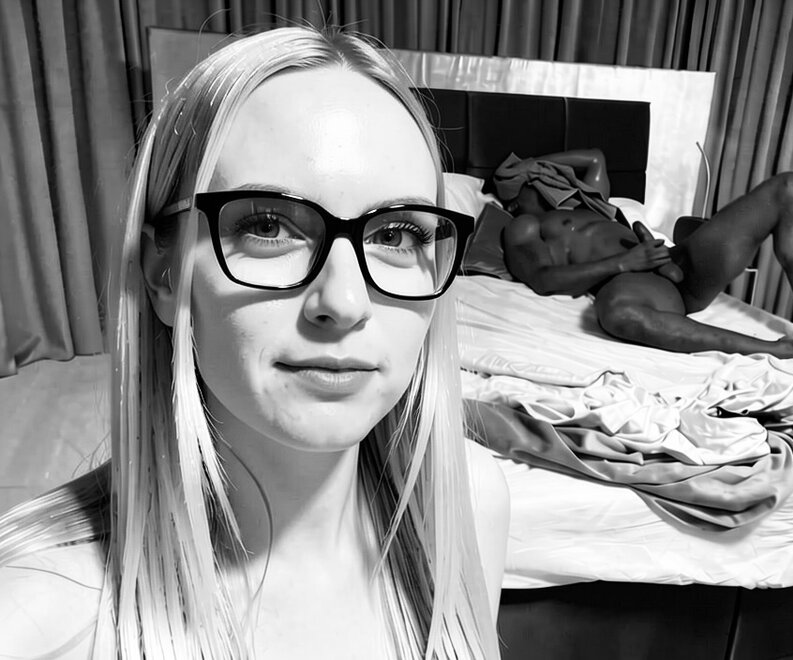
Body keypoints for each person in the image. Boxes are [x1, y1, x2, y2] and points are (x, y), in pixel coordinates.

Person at [0, 27, 508, 659]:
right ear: (163, 274)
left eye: (397, 235)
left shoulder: (469, 506)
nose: (345, 302)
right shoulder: (38, 620)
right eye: (268, 226)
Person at [498, 148, 793, 382]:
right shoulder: (524, 224)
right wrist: (625, 262)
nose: (542, 180)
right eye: (530, 181)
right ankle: (781, 350)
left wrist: (534, 163)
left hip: (675, 261)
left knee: (789, 188)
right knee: (617, 313)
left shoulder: (593, 201)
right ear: (512, 197)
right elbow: (544, 279)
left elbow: (596, 156)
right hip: (637, 284)